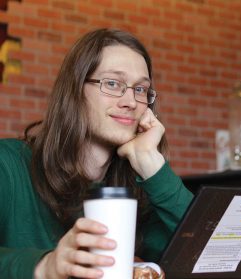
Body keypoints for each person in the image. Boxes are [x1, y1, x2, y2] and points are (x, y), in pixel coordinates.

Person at [0, 28, 193, 279]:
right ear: (75, 91)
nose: (131, 102)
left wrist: (153, 166)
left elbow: (214, 255)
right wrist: (45, 266)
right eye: (112, 83)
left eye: (140, 89)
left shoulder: (140, 189)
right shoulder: (8, 164)